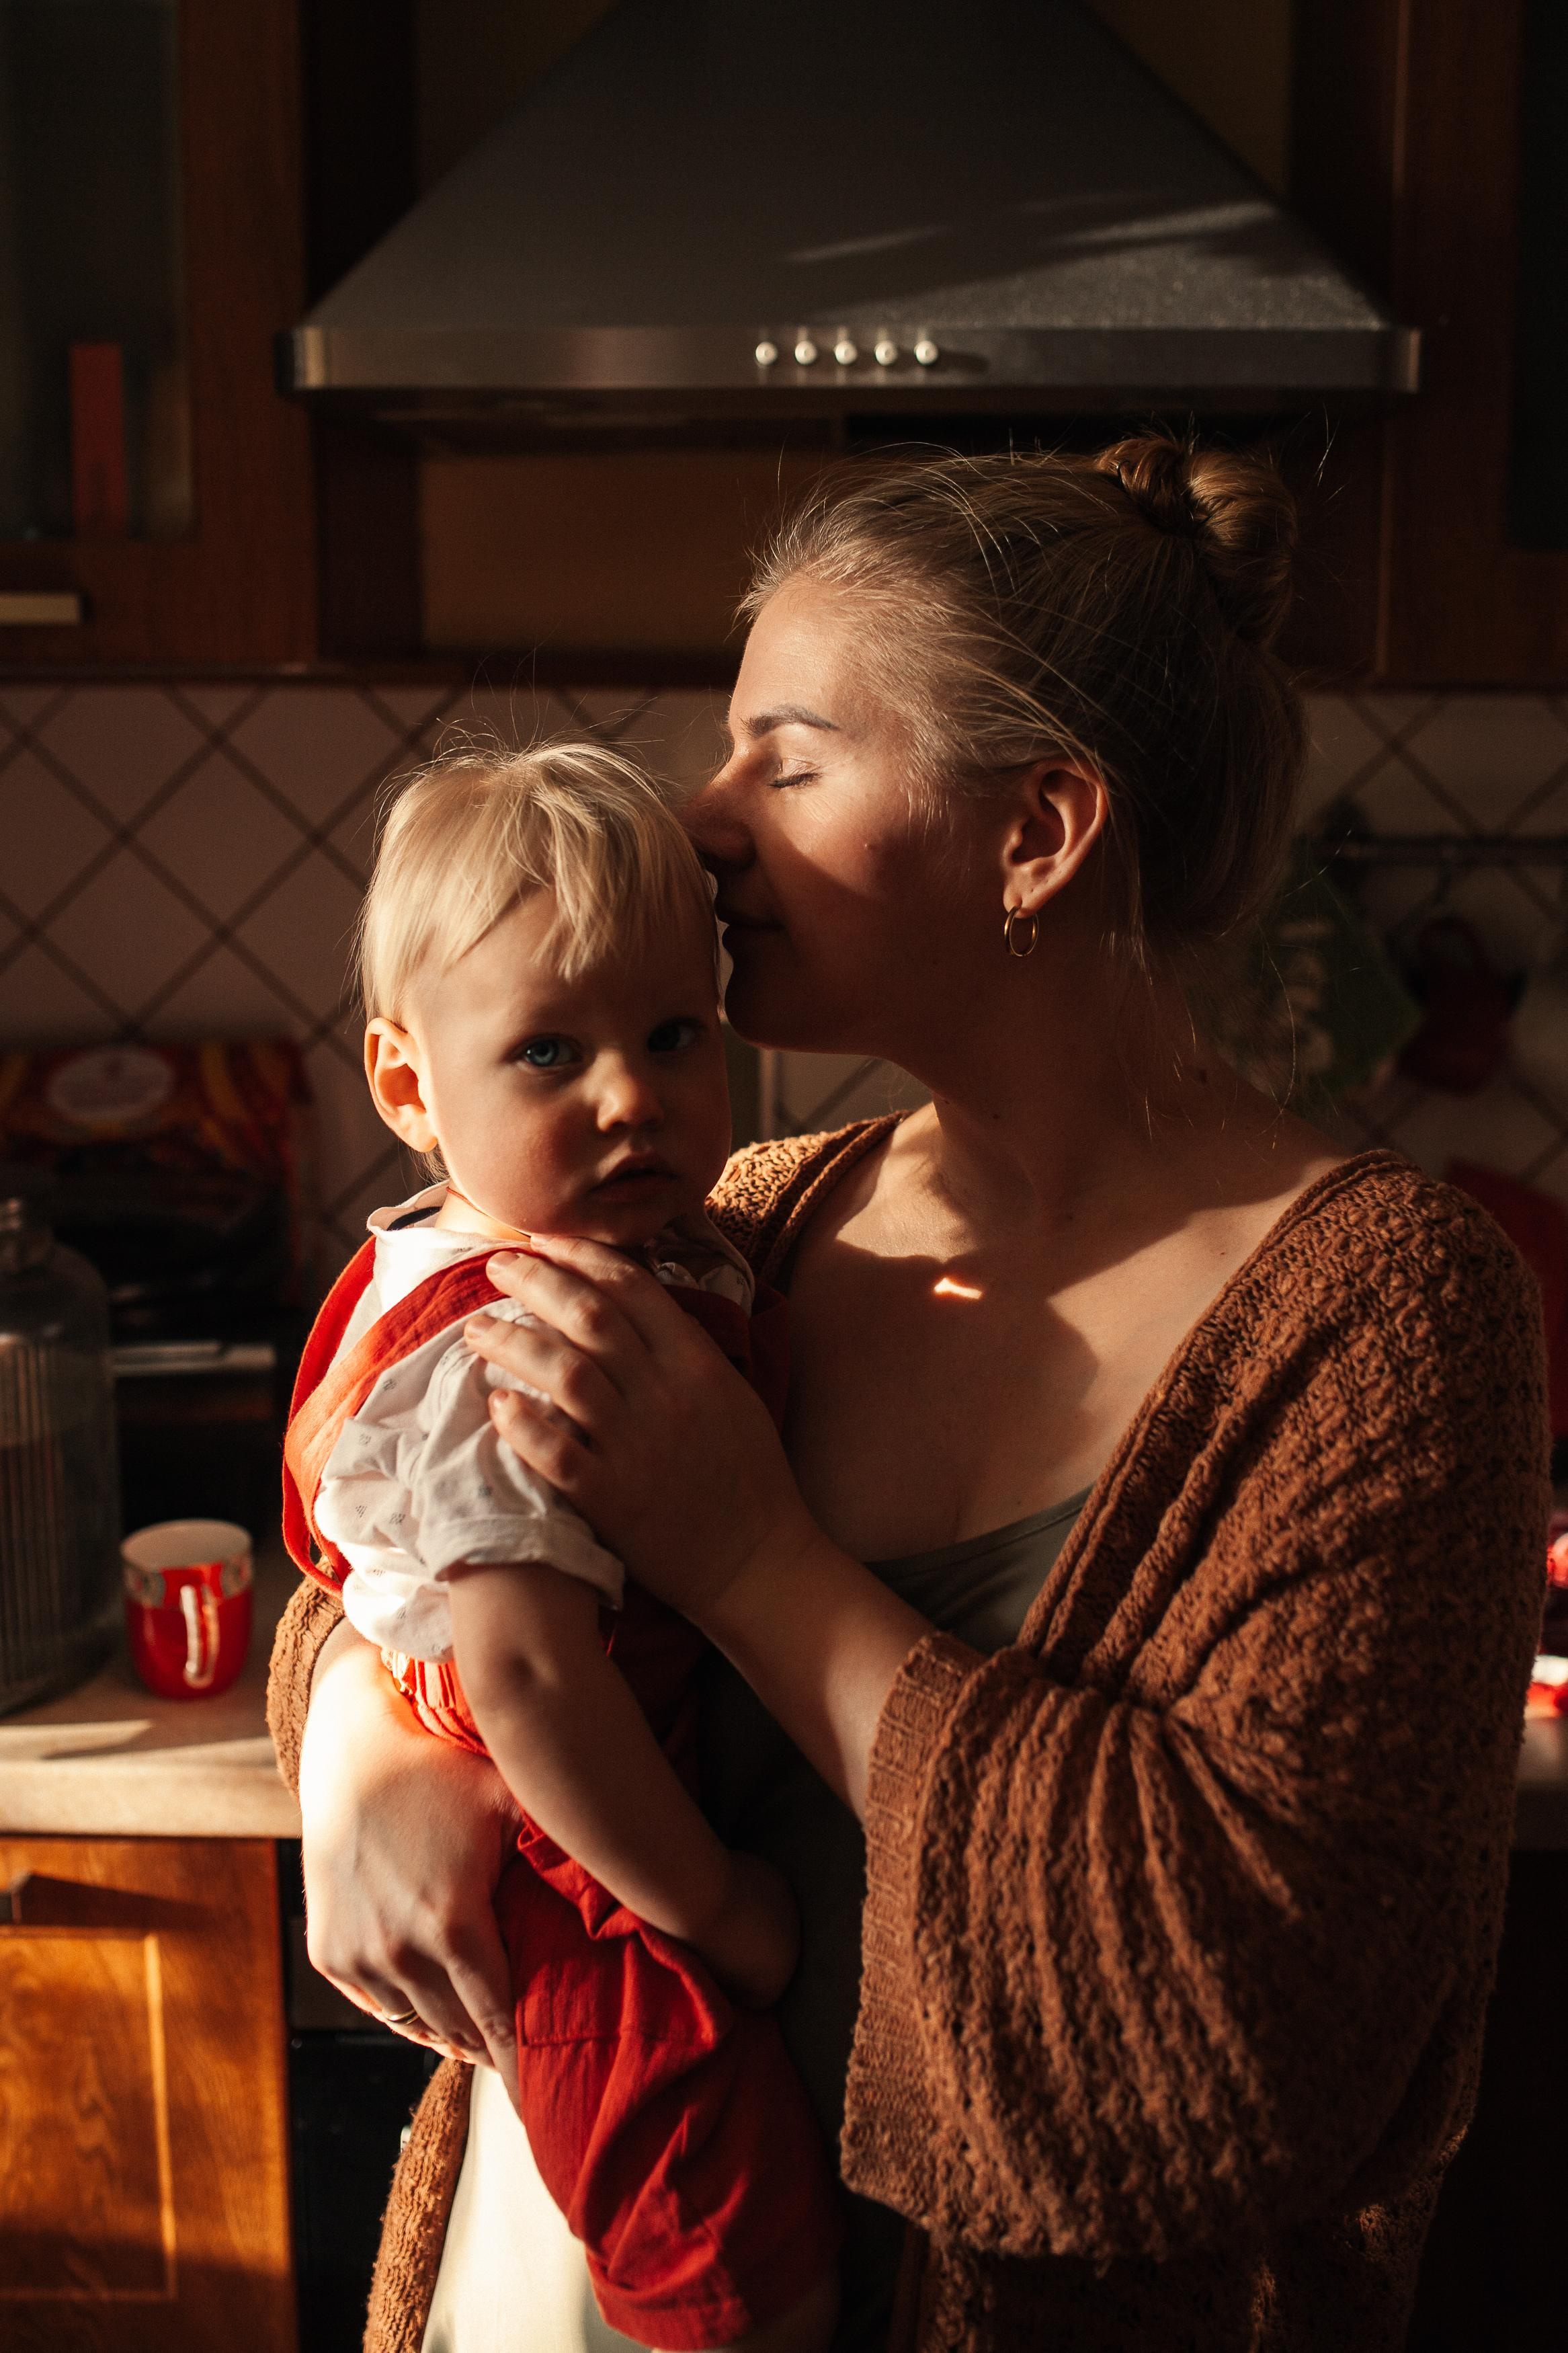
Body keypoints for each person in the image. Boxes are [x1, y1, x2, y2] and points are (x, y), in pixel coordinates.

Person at [270, 436, 1547, 2353]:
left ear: (1034, 830)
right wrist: (364, 1738)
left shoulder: (1380, 1320)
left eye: (782, 757)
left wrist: (758, 1558)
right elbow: (399, 1558)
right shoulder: (746, 1221)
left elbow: (1251, 2031)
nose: (701, 821)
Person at [279, 743, 838, 2353]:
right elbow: (523, 1675)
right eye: (547, 1051)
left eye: (673, 1034)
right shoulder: (513, 1343)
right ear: (406, 1088)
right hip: (580, 1891)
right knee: (733, 2266)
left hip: (584, 1832)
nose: (630, 1096)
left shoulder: (636, 1250)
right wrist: (718, 1906)